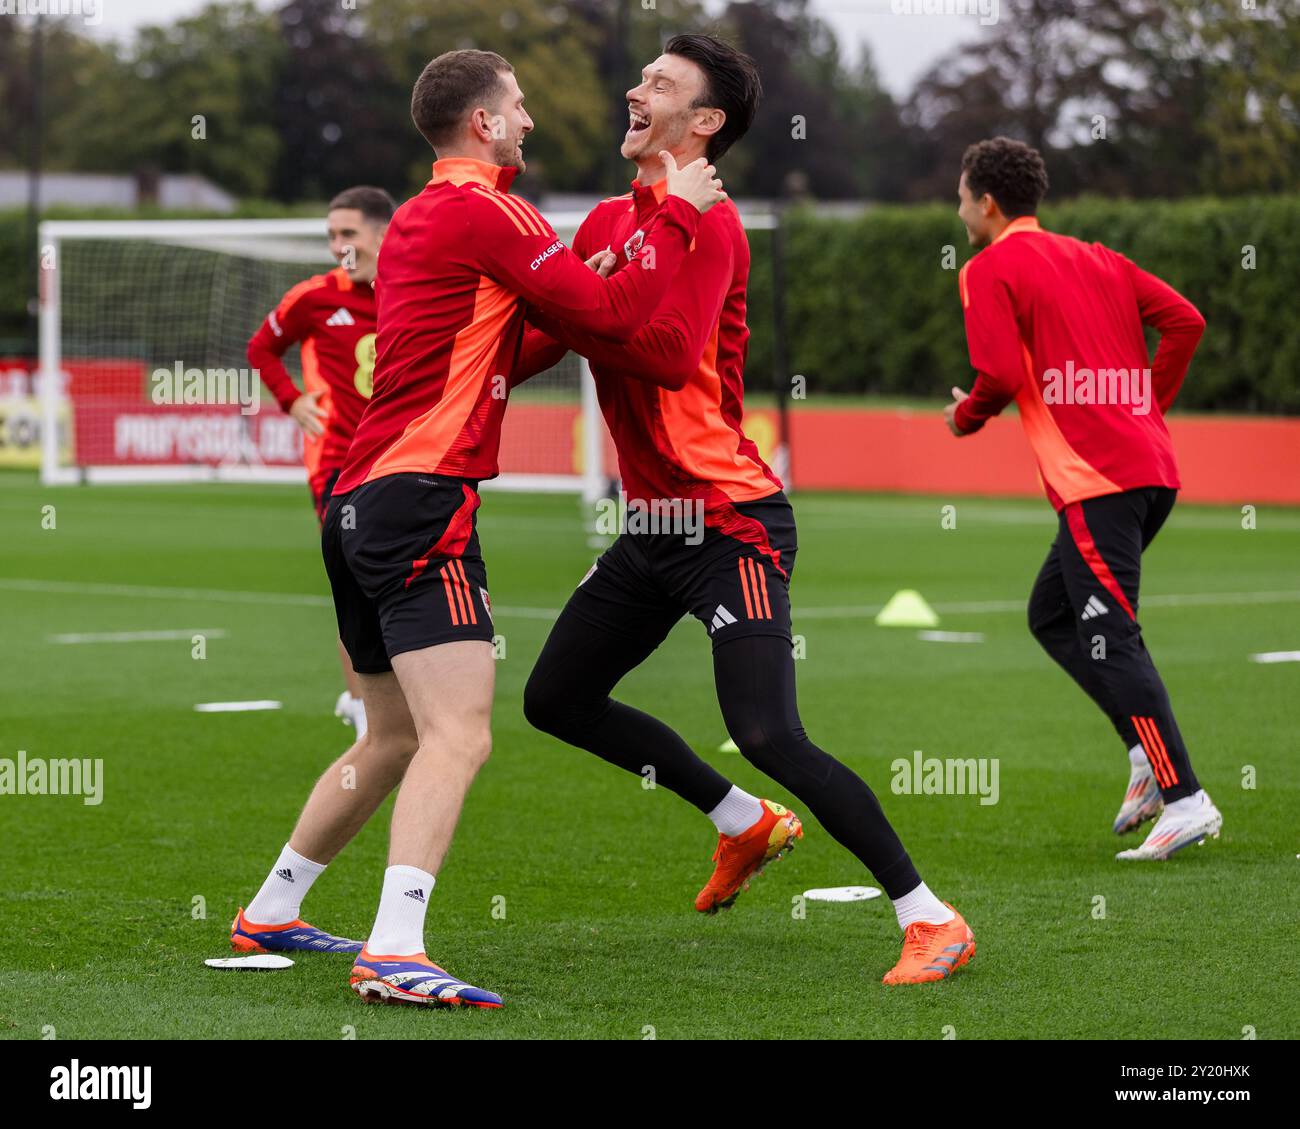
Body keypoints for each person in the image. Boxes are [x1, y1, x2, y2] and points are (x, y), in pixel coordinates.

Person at [229, 48, 726, 1008]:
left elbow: (520, 339)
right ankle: (395, 949)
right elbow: (618, 320)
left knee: (391, 736)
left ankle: (272, 909)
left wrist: (603, 262)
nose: (531, 121)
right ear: (483, 124)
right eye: (520, 107)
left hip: (356, 500)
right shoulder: (489, 208)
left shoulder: (421, 214)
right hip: (421, 499)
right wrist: (675, 215)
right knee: (460, 734)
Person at [519, 35, 974, 986]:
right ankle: (743, 820)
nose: (635, 88)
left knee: (768, 732)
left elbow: (661, 350)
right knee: (555, 699)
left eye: (661, 84)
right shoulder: (606, 219)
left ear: (706, 123)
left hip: (733, 522)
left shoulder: (712, 222)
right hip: (650, 527)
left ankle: (931, 917)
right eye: (642, 75)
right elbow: (542, 345)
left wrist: (573, 308)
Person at [945, 136, 1221, 861]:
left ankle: (1186, 796)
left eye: (962, 195)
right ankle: (1142, 755)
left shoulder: (987, 268)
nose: (960, 208)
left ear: (989, 203)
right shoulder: (1100, 258)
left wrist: (963, 417)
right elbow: (1186, 320)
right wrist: (1146, 406)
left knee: (1115, 634)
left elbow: (999, 374)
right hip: (1149, 472)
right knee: (1052, 613)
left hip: (1099, 485)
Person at [248, 186, 396, 738]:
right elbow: (261, 347)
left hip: (402, 459)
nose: (338, 246)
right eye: (332, 235)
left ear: (383, 234)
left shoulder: (410, 293)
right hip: (336, 463)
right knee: (357, 576)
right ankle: (364, 707)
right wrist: (291, 400)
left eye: (349, 234)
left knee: (395, 579)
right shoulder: (313, 297)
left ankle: (383, 698)